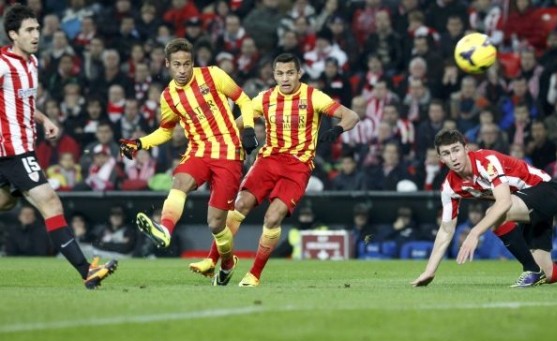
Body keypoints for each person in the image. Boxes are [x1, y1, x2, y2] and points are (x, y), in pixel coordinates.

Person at [194, 53, 359, 287]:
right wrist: (241, 131)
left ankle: (254, 274)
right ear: (274, 75)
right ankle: (213, 260)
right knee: (240, 204)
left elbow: (352, 115)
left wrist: (337, 129)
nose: (285, 78)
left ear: (299, 74)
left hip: (297, 167)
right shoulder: (266, 98)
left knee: (273, 217)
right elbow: (236, 124)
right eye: (280, 73)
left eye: (290, 73)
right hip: (268, 161)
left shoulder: (313, 96)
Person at [119, 38, 257, 285]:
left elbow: (244, 100)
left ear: (193, 62)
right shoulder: (169, 96)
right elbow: (166, 130)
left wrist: (247, 129)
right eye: (176, 65)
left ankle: (227, 262)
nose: (182, 70)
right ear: (167, 65)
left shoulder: (213, 75)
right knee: (179, 181)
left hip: (228, 152)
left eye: (186, 64)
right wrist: (140, 143)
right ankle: (165, 230)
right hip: (198, 150)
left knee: (216, 224)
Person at [0, 4, 116, 288]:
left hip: (18, 148)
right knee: (51, 202)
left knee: (7, 201)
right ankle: (86, 270)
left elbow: (22, 103)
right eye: (29, 30)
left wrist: (45, 118)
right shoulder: (3, 64)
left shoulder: (32, 63)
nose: (36, 34)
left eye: (37, 29)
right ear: (13, 34)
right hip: (13, 151)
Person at [411, 128, 557, 288]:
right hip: (526, 205)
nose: (453, 157)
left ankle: (530, 269)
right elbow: (446, 230)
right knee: (548, 273)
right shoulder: (450, 187)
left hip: (546, 191)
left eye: (456, 150)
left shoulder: (486, 161)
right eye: (446, 153)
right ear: (441, 159)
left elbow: (504, 203)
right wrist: (429, 271)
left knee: (496, 212)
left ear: (466, 149)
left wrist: (474, 233)